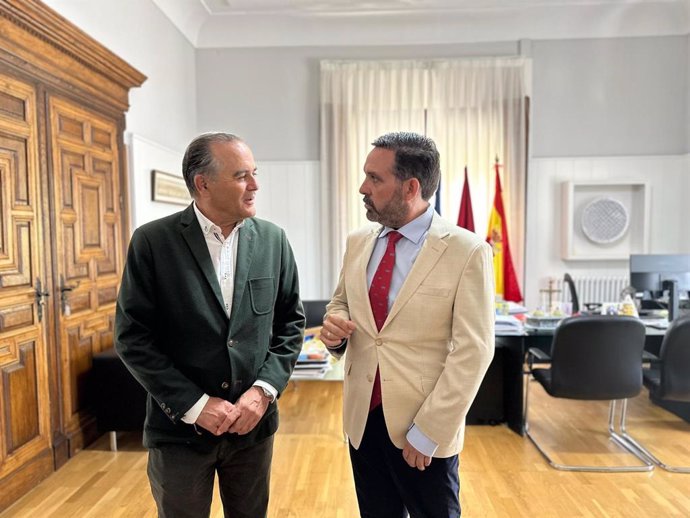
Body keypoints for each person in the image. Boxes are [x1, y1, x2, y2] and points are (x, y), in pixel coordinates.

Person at [114, 132, 305, 518]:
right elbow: (132, 337)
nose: (255, 185)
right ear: (203, 184)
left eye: (254, 173)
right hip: (180, 432)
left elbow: (290, 324)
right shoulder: (152, 242)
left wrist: (264, 392)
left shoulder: (274, 240)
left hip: (253, 428)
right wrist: (195, 405)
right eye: (241, 176)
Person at [321, 132, 495, 518]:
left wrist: (429, 431)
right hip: (362, 422)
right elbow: (341, 302)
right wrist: (335, 325)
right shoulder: (358, 241)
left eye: (375, 178)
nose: (363, 188)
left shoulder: (468, 252)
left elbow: (475, 350)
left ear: (411, 186)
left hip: (422, 428)